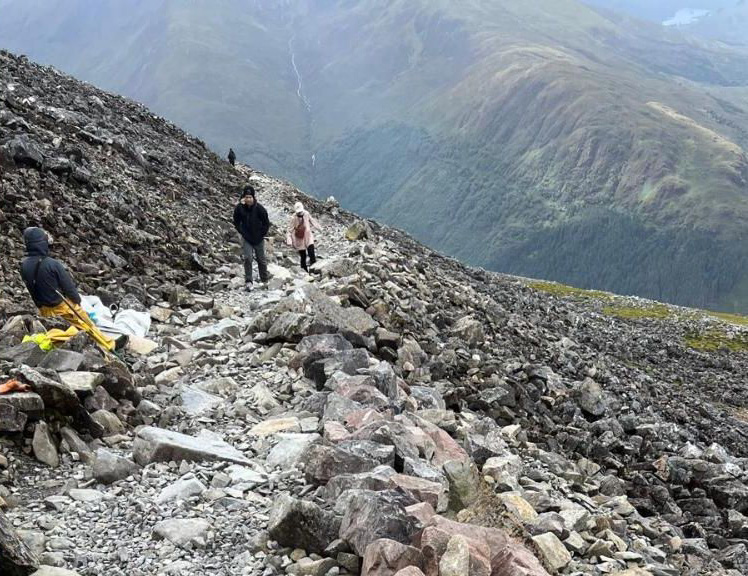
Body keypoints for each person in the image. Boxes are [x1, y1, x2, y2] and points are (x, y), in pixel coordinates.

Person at [19, 227, 118, 352]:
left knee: (62, 329)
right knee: (86, 325)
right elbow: (70, 289)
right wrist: (77, 303)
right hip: (62, 307)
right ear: (42, 243)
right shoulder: (52, 264)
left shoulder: (24, 265)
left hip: (43, 309)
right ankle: (109, 345)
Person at [233, 185, 270, 290]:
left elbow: (266, 223)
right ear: (243, 197)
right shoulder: (239, 208)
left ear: (253, 197)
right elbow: (236, 221)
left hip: (258, 238)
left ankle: (264, 280)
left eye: (250, 197)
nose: (248, 199)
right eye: (246, 197)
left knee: (261, 259)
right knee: (248, 258)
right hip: (246, 238)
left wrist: (262, 234)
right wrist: (241, 231)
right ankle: (249, 281)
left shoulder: (259, 208)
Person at [288, 201, 321, 272]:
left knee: (311, 253)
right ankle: (304, 271)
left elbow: (312, 221)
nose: (300, 213)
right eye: (298, 212)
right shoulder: (293, 218)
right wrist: (289, 241)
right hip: (299, 238)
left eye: (300, 211)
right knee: (303, 256)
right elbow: (289, 230)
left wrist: (319, 228)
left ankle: (314, 269)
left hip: (308, 236)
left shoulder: (306, 214)